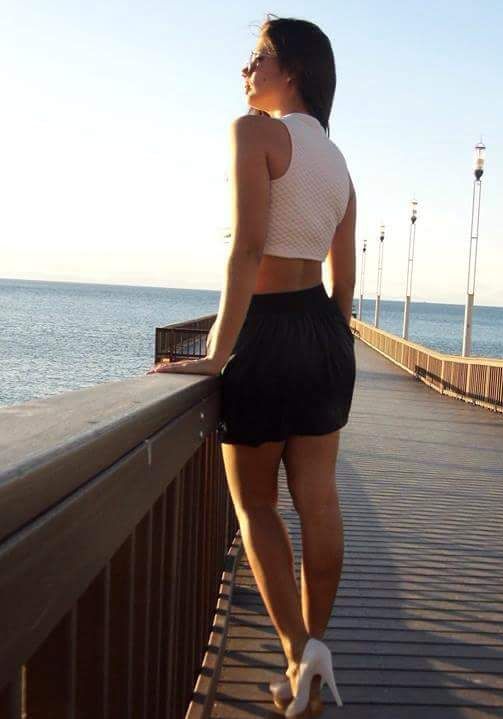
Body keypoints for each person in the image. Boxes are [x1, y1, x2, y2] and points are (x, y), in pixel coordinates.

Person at [148, 15, 355, 717]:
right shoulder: (341, 165)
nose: (246, 69)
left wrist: (216, 352)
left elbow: (247, 248)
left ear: (290, 68)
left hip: (265, 332)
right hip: (323, 332)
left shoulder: (253, 133)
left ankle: (298, 653)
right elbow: (344, 279)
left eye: (257, 57)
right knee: (319, 499)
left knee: (257, 504)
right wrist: (332, 340)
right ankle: (314, 655)